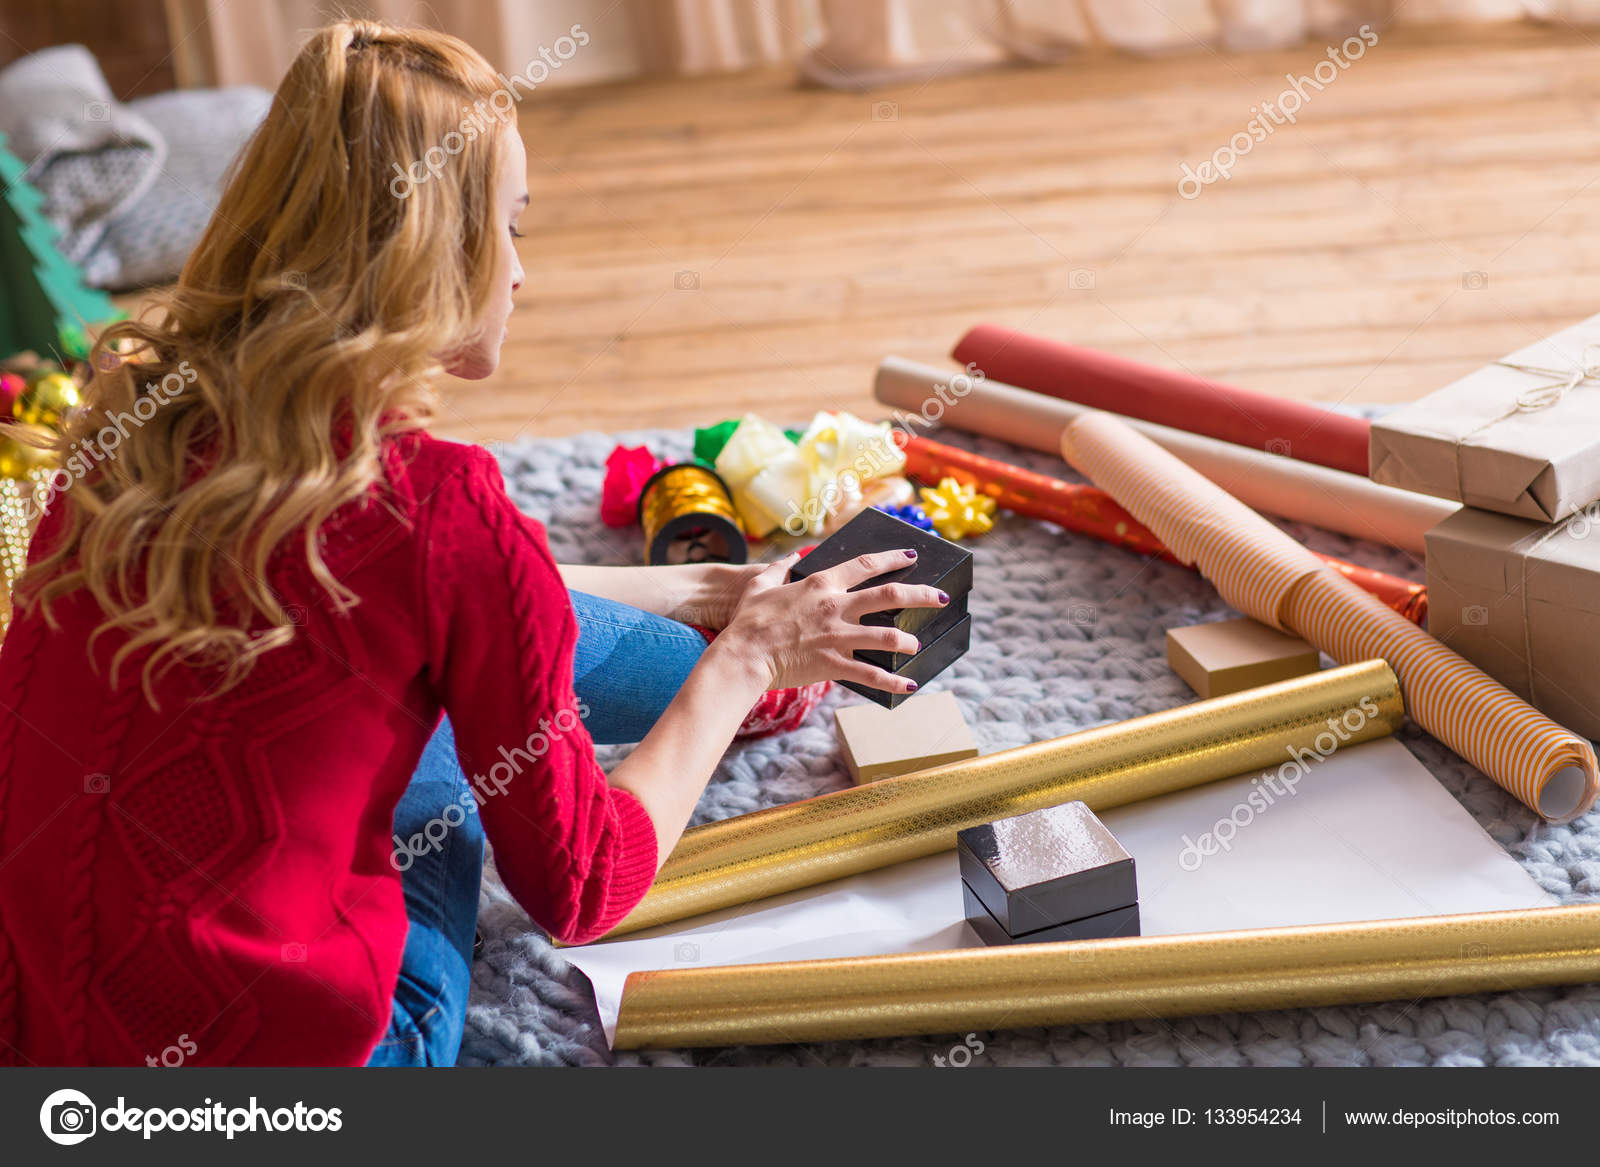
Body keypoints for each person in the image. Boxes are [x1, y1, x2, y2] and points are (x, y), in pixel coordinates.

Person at [0, 20, 949, 1067]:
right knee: (452, 731)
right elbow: (582, 888)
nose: (520, 273)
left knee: (437, 646)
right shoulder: (444, 509)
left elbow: (409, 581)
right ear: (437, 253)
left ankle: (751, 655)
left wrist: (677, 588)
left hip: (41, 1035)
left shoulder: (126, 423)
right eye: (513, 227)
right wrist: (741, 660)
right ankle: (775, 677)